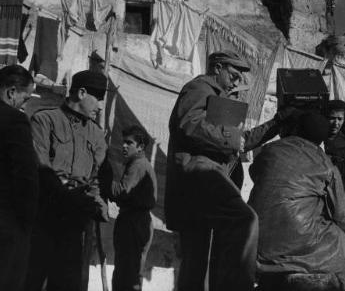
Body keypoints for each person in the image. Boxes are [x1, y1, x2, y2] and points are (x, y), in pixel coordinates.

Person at [165, 50, 296, 291]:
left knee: (197, 264)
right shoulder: (200, 88)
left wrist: (276, 122)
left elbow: (240, 140)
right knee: (245, 220)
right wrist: (231, 139)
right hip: (199, 178)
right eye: (234, 75)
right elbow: (188, 124)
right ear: (218, 68)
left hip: (206, 183)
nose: (237, 82)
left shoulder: (219, 99)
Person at [248, 111, 345, 289]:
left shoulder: (271, 149)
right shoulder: (326, 163)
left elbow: (255, 173)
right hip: (301, 241)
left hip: (255, 240)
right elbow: (342, 217)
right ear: (321, 139)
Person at [25, 70, 108, 291]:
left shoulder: (98, 135)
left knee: (66, 285)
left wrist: (97, 202)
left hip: (73, 225)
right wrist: (67, 192)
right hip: (42, 219)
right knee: (30, 280)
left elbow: (96, 179)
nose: (100, 106)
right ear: (81, 93)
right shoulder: (44, 120)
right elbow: (40, 168)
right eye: (98, 98)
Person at [0, 65, 38, 291]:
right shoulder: (14, 121)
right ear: (11, 92)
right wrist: (26, 224)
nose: (25, 104)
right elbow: (26, 178)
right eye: (25, 98)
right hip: (3, 228)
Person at [110, 125, 157, 291]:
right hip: (137, 221)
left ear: (140, 147)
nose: (124, 146)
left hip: (133, 222)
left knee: (126, 276)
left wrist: (107, 182)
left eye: (129, 143)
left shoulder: (138, 165)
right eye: (123, 142)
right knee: (130, 273)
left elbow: (123, 191)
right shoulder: (138, 163)